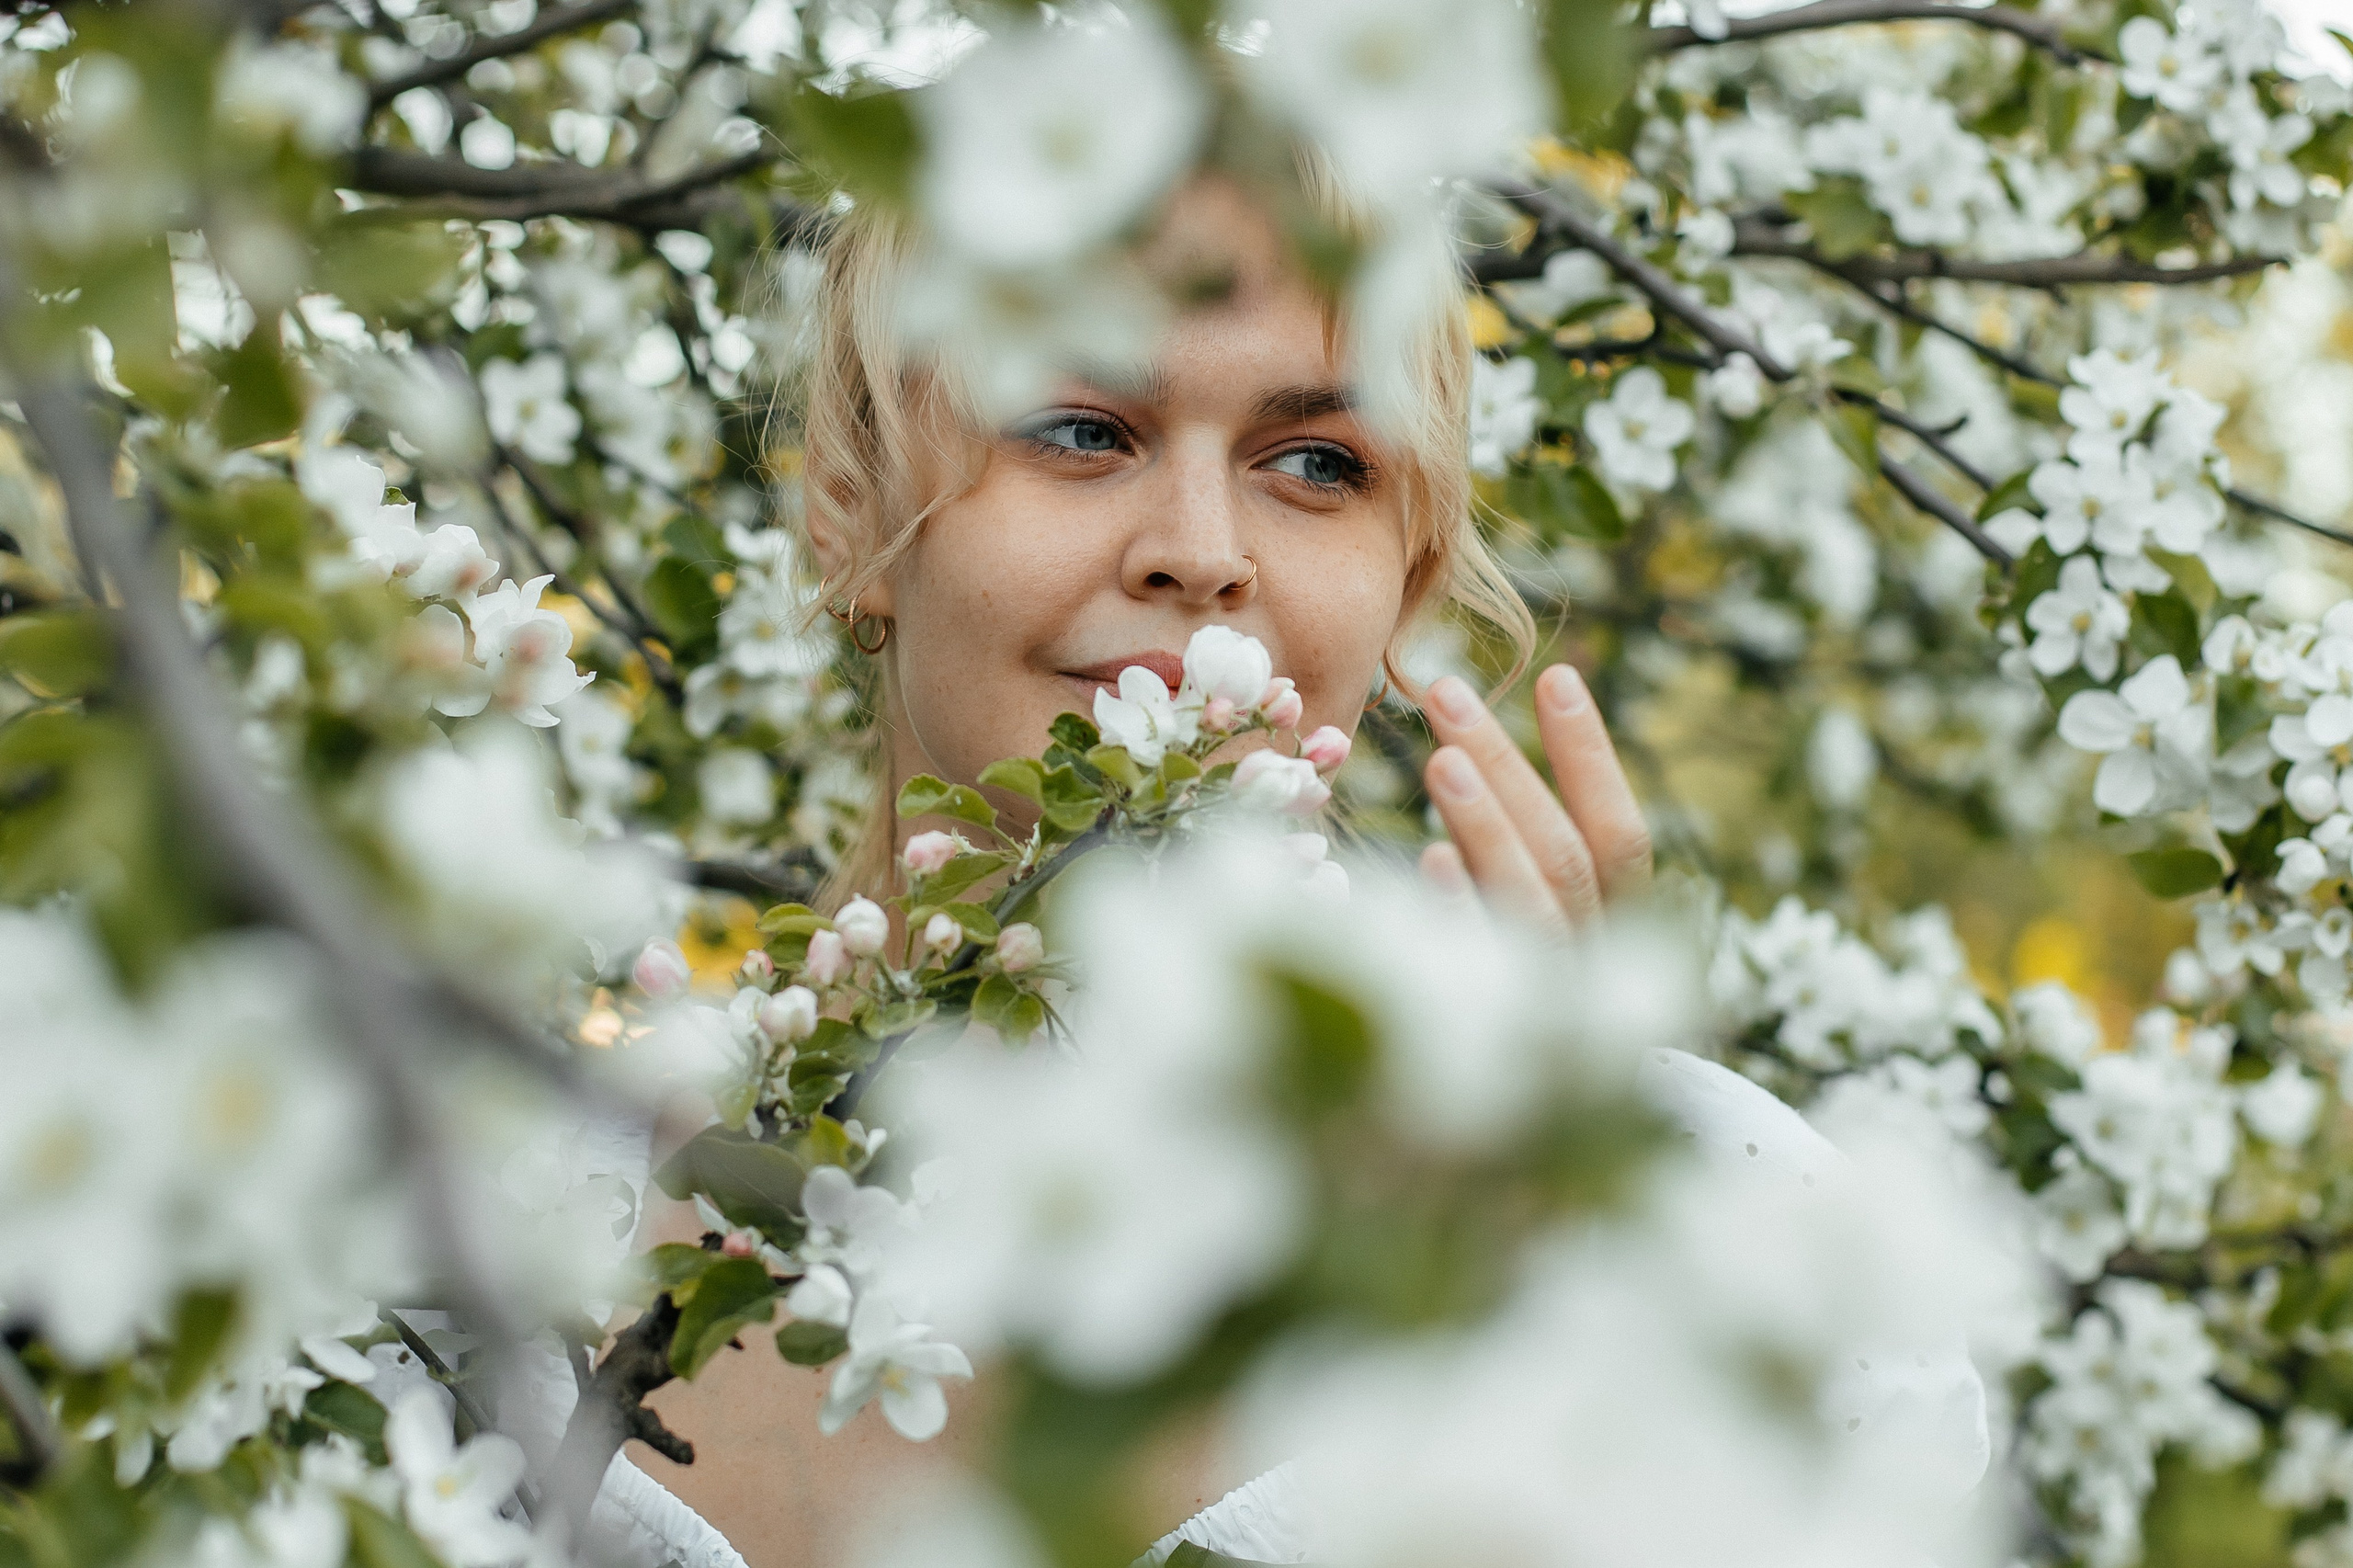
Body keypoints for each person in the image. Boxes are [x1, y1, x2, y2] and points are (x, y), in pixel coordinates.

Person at [592, 168, 1979, 1565]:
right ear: (848, 510)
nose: (1201, 553)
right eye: (1080, 428)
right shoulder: (514, 1229)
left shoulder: (1737, 1234)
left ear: (1411, 578)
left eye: (1320, 464)